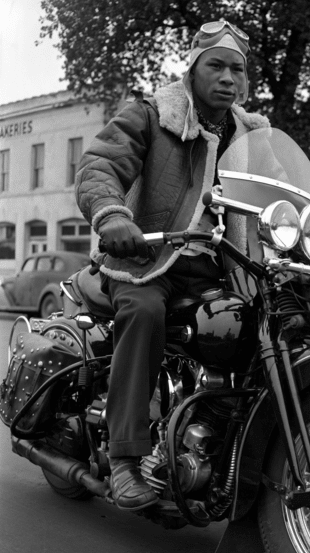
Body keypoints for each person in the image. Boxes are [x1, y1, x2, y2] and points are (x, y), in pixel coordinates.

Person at [75, 20, 271, 512]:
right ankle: (124, 459)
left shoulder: (251, 137)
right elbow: (100, 165)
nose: (228, 78)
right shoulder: (151, 115)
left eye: (238, 70)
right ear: (192, 68)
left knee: (268, 322)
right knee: (144, 314)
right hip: (147, 258)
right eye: (216, 66)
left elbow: (284, 194)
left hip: (220, 267)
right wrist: (113, 215)